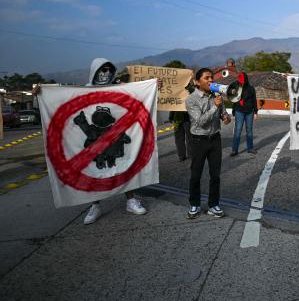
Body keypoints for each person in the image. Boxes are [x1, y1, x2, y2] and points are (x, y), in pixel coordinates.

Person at [33, 58, 148, 225]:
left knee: (124, 167)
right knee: (95, 172)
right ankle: (95, 205)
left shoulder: (119, 88)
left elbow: (139, 97)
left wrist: (153, 88)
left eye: (109, 70)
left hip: (114, 140)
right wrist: (40, 93)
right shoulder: (82, 91)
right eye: (102, 69)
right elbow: (58, 100)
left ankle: (131, 200)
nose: (106, 73)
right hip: (95, 144)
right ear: (94, 71)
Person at [186, 68, 232, 219]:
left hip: (215, 139)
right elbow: (200, 122)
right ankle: (194, 204)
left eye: (211, 77)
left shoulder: (216, 96)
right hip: (198, 140)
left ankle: (213, 204)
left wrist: (225, 117)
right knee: (196, 174)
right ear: (197, 82)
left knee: (215, 175)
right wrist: (215, 106)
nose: (211, 80)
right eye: (207, 78)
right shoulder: (191, 100)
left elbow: (222, 113)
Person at [230, 72, 258, 156]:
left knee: (249, 130)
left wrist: (256, 112)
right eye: (240, 79)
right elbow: (234, 100)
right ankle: (234, 150)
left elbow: (254, 100)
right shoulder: (236, 88)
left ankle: (250, 148)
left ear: (246, 79)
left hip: (250, 112)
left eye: (242, 79)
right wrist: (234, 112)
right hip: (239, 111)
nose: (241, 81)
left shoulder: (251, 89)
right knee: (238, 130)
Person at [169, 81, 194, 162]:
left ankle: (190, 154)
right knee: (179, 138)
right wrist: (171, 117)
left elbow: (193, 91)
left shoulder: (190, 89)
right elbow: (172, 105)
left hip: (187, 118)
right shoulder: (175, 90)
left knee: (189, 137)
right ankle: (181, 155)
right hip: (177, 118)